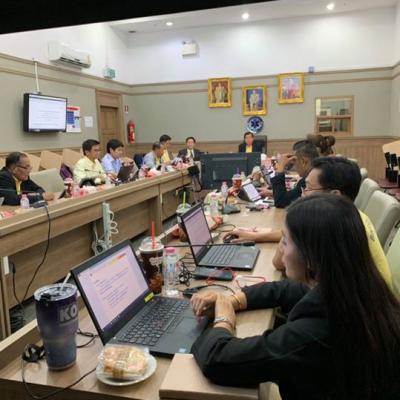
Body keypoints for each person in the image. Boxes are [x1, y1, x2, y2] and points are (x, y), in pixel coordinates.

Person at [191, 194, 400, 399]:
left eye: (285, 241)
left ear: (310, 256)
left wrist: (223, 319)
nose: (281, 251)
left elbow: (218, 360)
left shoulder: (314, 333)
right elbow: (288, 289)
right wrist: (233, 300)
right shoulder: (356, 287)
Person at [228, 156, 392, 288]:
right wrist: (258, 235)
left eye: (307, 188)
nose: (303, 194)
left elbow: (279, 263)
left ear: (334, 195)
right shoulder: (353, 217)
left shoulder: (332, 228)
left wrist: (293, 218)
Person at [270, 142, 319, 208]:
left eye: (295, 161)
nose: (294, 166)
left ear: (303, 161)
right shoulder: (317, 173)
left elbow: (280, 201)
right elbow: (292, 196)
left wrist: (280, 167)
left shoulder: (310, 180)